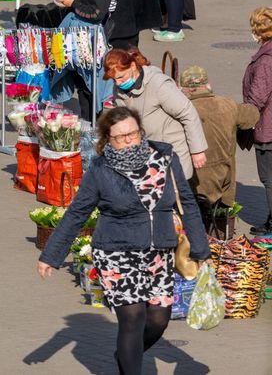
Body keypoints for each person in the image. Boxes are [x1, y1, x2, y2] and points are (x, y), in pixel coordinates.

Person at [38, 107, 210, 375]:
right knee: (133, 318)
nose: (130, 140)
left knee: (158, 319)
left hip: (158, 252)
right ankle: (130, 365)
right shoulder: (100, 168)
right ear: (107, 139)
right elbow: (77, 212)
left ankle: (126, 354)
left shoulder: (164, 158)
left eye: (134, 133)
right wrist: (51, 255)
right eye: (121, 136)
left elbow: (186, 202)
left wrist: (200, 247)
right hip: (116, 252)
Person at [104, 47, 207, 180]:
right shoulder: (119, 89)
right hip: (146, 155)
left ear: (133, 66)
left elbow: (188, 113)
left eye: (121, 77)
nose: (118, 83)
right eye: (114, 80)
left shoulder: (158, 85)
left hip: (172, 153)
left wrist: (197, 151)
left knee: (173, 196)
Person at [180, 66, 258, 213]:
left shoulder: (183, 109)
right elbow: (252, 115)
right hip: (224, 178)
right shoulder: (227, 104)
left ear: (186, 89)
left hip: (195, 181)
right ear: (207, 85)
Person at [50, 0, 113, 120]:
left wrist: (73, 4)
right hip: (77, 38)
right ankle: (87, 121)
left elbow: (97, 13)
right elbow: (82, 0)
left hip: (90, 41)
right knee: (79, 81)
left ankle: (93, 122)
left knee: (91, 84)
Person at [243, 7, 272, 235]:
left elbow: (258, 98)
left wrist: (243, 121)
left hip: (268, 129)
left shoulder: (265, 60)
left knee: (269, 178)